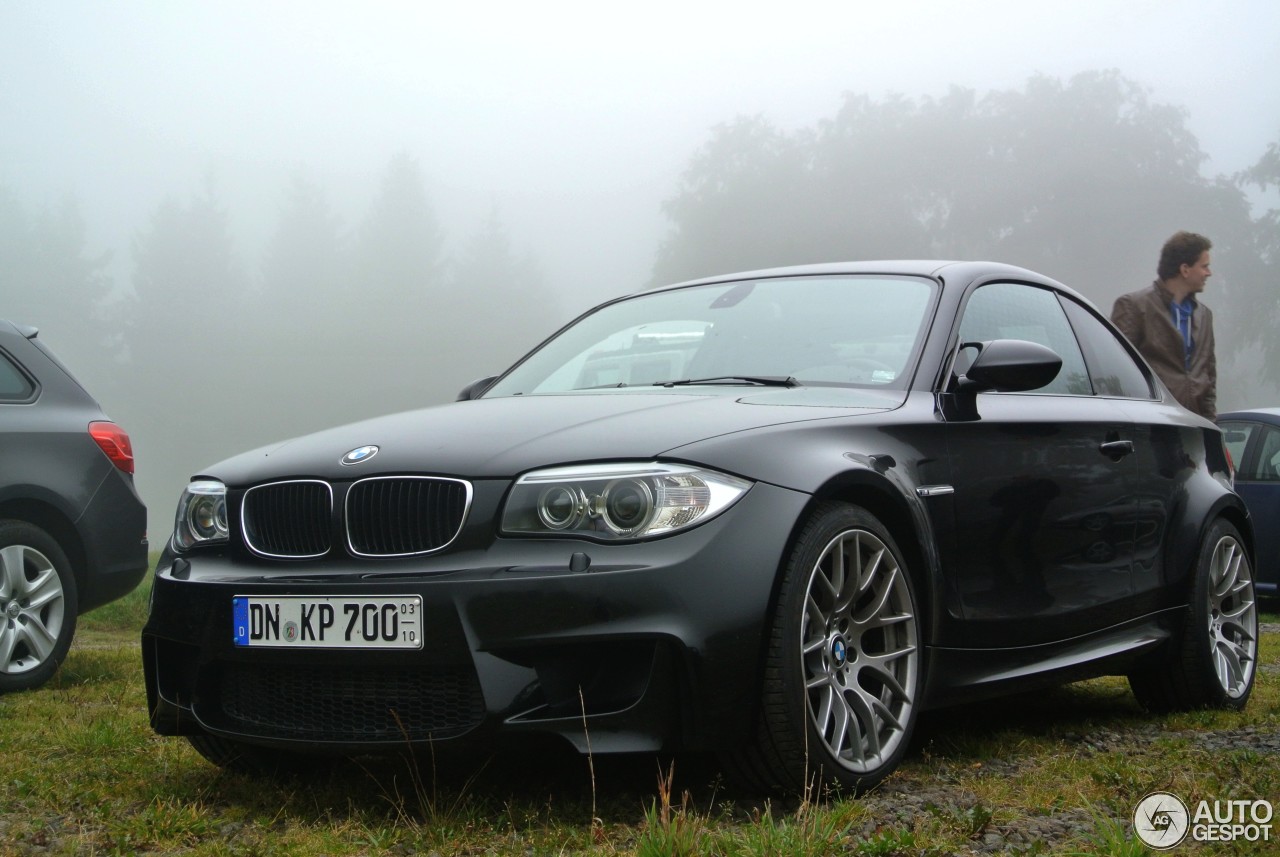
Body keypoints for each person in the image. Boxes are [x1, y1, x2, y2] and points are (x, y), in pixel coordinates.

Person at [1111, 231, 1217, 420]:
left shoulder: (1204, 315)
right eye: (1204, 266)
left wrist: (1212, 428)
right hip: (1152, 425)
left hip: (1195, 428)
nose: (1209, 273)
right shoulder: (1134, 306)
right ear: (1185, 269)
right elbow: (1116, 372)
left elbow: (1209, 377)